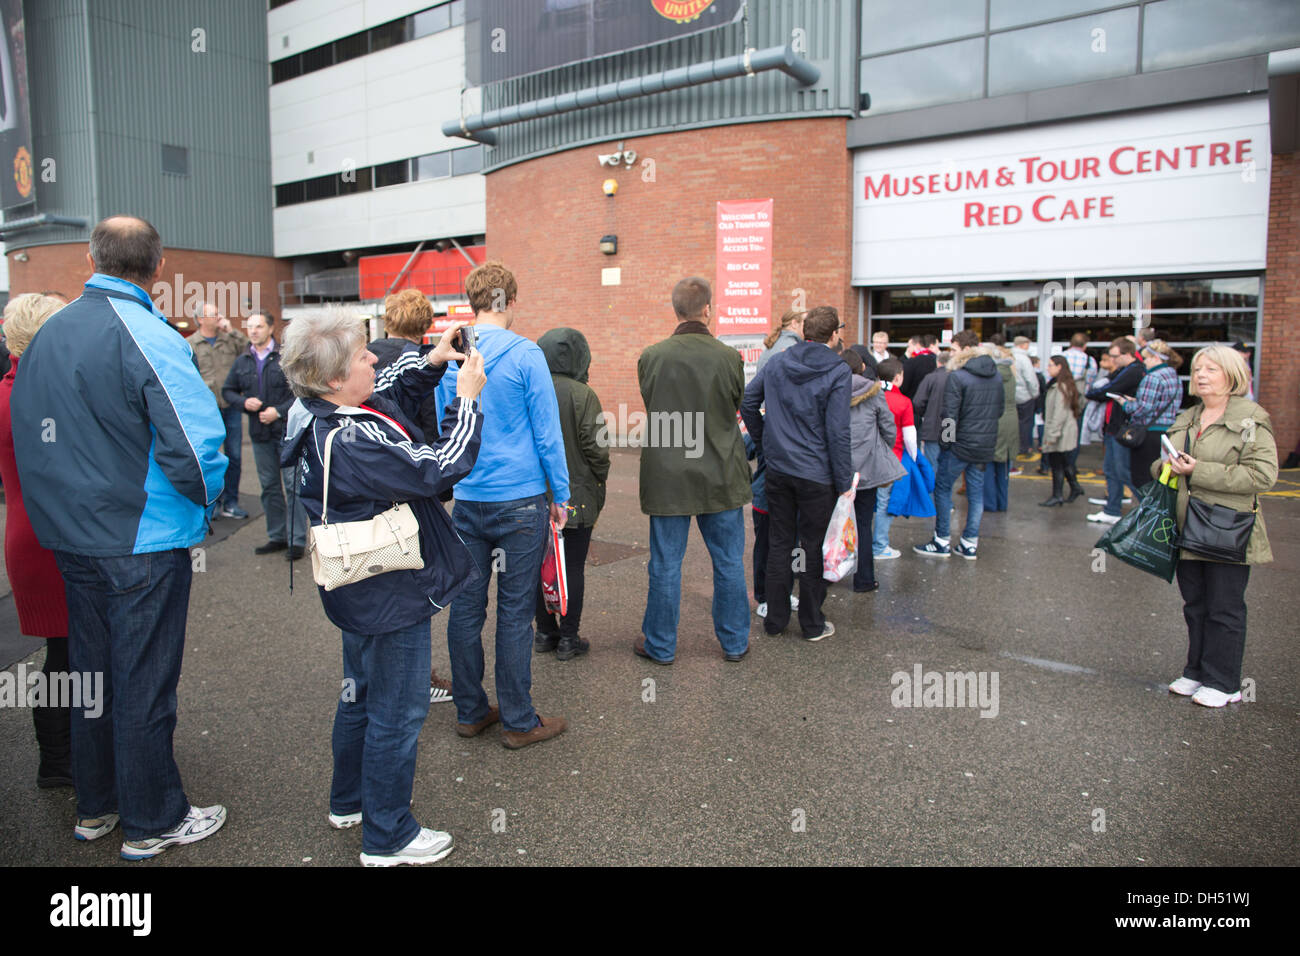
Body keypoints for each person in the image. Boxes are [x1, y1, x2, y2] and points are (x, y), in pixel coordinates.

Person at [11, 216, 229, 859]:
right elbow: (196, 443)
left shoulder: (49, 334)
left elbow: (30, 436)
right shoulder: (148, 333)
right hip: (140, 539)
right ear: (157, 267)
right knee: (143, 681)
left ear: (91, 258)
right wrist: (209, 500)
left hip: (73, 538)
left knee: (94, 677)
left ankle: (98, 806)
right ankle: (154, 819)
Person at [280, 311, 485, 865]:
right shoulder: (349, 442)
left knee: (361, 695)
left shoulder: (317, 409)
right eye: (361, 357)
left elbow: (385, 391)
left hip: (358, 586)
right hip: (391, 591)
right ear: (331, 380)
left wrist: (433, 363)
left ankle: (349, 802)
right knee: (398, 712)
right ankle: (388, 836)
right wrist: (466, 399)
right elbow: (438, 467)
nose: (375, 359)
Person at [434, 262, 571, 747]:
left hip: (469, 498)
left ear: (473, 302)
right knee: (515, 613)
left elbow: (444, 426)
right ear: (510, 302)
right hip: (520, 499)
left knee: (466, 608)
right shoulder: (527, 353)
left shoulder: (451, 353)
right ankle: (518, 720)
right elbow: (547, 433)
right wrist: (562, 495)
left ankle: (470, 711)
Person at [638, 277, 752, 661]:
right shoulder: (728, 357)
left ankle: (660, 646)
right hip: (720, 472)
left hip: (668, 474)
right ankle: (735, 643)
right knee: (728, 561)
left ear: (676, 310)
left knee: (666, 564)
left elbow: (653, 402)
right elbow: (735, 403)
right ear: (707, 309)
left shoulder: (652, 356)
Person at [1158, 346, 1276, 708]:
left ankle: (1224, 682)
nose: (1201, 375)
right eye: (1197, 369)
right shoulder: (1188, 416)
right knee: (1195, 604)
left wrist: (1199, 471)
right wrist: (1167, 467)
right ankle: (1196, 672)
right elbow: (1158, 467)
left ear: (1232, 375)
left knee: (1224, 607)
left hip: (1228, 528)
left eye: (1211, 369)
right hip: (1187, 526)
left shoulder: (1250, 419)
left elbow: (1263, 475)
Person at [742, 306, 851, 642]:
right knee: (811, 546)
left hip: (780, 469)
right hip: (816, 473)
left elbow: (748, 401)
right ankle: (811, 622)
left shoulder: (778, 361)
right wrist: (845, 482)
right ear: (833, 335)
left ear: (805, 331)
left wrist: (765, 445)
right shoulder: (838, 370)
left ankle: (775, 621)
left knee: (780, 544)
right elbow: (838, 432)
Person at [366, 290, 454, 700]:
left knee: (371, 579)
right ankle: (415, 679)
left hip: (364, 487)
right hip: (408, 484)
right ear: (424, 327)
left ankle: (371, 676)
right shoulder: (418, 361)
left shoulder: (361, 357)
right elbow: (427, 424)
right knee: (413, 582)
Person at [0, 293, 72, 788]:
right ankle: (63, 761)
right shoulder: (46, 394)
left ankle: (58, 758)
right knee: (72, 655)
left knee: (61, 651)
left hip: (26, 534)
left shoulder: (7, 389)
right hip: (58, 537)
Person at [533, 327, 610, 662]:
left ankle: (544, 632)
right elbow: (597, 448)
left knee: (541, 563)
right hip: (576, 495)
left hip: (535, 494)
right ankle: (568, 637)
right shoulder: (583, 394)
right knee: (573, 565)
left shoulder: (531, 387)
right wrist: (599, 477)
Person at [221, 311, 307, 559]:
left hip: (287, 434)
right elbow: (228, 391)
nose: (253, 331)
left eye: (258, 326)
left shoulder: (286, 358)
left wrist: (278, 412)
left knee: (293, 488)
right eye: (249, 327)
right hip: (260, 436)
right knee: (269, 487)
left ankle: (296, 540)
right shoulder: (243, 361)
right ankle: (277, 536)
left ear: (270, 329)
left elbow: (301, 393)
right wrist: (243, 401)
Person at [914, 330, 1003, 560]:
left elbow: (949, 416)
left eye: (953, 349)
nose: (950, 353)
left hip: (959, 445)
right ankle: (969, 543)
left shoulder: (958, 376)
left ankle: (942, 540)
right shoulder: (996, 375)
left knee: (943, 488)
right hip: (984, 444)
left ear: (965, 350)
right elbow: (999, 410)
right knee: (976, 494)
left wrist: (945, 444)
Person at [844, 349, 903, 593]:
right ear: (861, 368)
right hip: (866, 467)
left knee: (831, 522)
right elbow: (888, 427)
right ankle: (864, 579)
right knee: (864, 523)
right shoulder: (874, 391)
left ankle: (827, 573)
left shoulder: (830, 389)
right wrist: (881, 447)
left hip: (837, 468)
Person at [189, 302, 250, 519]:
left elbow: (251, 348)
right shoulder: (191, 344)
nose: (218, 317)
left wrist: (231, 330)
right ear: (200, 319)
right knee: (209, 458)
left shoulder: (230, 340)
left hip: (231, 406)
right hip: (206, 411)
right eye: (213, 314)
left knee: (234, 455)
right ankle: (211, 503)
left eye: (218, 313)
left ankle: (231, 502)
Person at [368, 289, 441, 441]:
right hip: (410, 448)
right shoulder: (426, 363)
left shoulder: (366, 355)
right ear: (425, 323)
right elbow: (430, 418)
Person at [1085, 337, 1144, 524]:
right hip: (1114, 427)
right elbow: (1108, 385)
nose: (1112, 359)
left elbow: (1108, 390)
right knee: (1111, 469)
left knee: (1123, 470)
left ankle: (1149, 506)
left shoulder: (1134, 371)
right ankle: (1112, 509)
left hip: (1122, 428)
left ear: (1127, 354)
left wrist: (1091, 394)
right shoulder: (1124, 369)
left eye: (1114, 356)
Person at [1122, 340, 1184, 488]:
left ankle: (1148, 509)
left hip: (1148, 433)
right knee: (1158, 477)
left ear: (1156, 358)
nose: (1144, 362)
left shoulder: (1153, 377)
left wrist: (1125, 403)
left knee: (1141, 479)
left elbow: (1143, 408)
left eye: (1147, 358)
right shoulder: (1174, 375)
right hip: (1167, 433)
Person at [871, 357, 915, 558]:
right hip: (892, 458)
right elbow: (910, 437)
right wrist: (913, 458)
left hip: (867, 458)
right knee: (883, 503)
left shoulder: (868, 396)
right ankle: (879, 546)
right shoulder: (904, 402)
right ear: (898, 377)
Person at [1038, 356, 1084, 506]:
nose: (1048, 368)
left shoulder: (1060, 387)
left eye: (1051, 365)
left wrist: (1052, 435)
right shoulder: (1063, 384)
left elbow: (1059, 413)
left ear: (1059, 367)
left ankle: (1057, 495)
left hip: (1060, 431)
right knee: (1064, 462)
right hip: (1064, 430)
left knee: (1057, 463)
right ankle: (1075, 487)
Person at [984, 339, 1018, 512]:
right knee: (1003, 466)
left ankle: (989, 503)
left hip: (994, 421)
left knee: (988, 464)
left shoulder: (992, 375)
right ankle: (1002, 502)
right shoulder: (1011, 372)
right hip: (1010, 421)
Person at [911, 346, 949, 473]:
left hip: (932, 425)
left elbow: (917, 402)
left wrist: (924, 414)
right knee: (945, 463)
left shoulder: (931, 378)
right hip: (950, 425)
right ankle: (941, 491)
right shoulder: (956, 378)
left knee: (931, 464)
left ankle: (931, 492)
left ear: (938, 362)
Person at [1012, 336, 1040, 455]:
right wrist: (1034, 394)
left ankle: (1013, 445)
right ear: (1023, 345)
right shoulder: (1024, 359)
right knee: (1025, 423)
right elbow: (1030, 379)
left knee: (1013, 422)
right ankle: (1023, 447)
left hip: (1011, 396)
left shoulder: (1009, 356)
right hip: (1024, 396)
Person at [900, 334, 937, 400]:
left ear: (917, 345)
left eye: (909, 346)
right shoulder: (936, 359)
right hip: (933, 400)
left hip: (914, 400)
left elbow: (904, 387)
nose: (908, 349)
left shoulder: (911, 362)